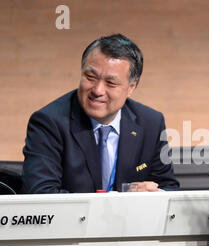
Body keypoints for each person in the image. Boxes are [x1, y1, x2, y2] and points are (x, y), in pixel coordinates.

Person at [22, 34, 179, 193]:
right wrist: (122, 200)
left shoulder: (150, 123)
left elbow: (168, 187)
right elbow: (42, 194)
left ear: (131, 87)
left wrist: (149, 196)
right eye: (90, 77)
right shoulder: (49, 122)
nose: (97, 90)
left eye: (110, 83)